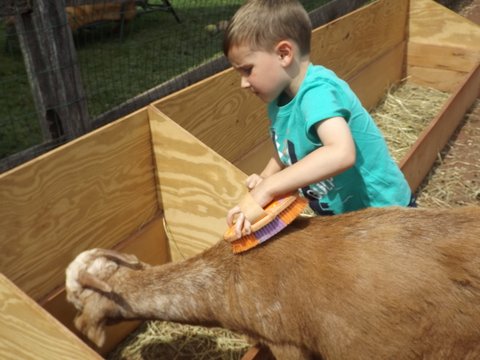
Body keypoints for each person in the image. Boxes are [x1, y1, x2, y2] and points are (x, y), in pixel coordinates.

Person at [223, 0, 413, 239]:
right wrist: (265, 179)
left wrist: (271, 187)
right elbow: (285, 151)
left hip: (385, 218)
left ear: (284, 54)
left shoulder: (317, 92)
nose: (243, 83)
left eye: (247, 70)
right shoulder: (279, 101)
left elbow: (340, 153)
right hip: (347, 223)